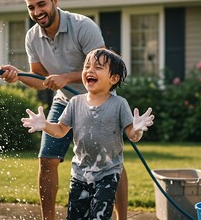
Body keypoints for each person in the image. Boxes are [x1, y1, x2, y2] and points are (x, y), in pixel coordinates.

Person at [0, 0, 129, 219]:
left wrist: (65, 77)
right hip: (65, 101)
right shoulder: (32, 37)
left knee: (111, 163)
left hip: (100, 100)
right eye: (31, 7)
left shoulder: (83, 26)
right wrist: (18, 76)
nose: (37, 12)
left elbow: (103, 67)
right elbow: (40, 79)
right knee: (47, 159)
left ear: (55, 1)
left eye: (41, 4)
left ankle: (122, 218)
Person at [21, 48, 154, 220]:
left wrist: (137, 129)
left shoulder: (119, 104)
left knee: (99, 216)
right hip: (80, 174)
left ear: (113, 78)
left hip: (108, 173)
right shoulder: (75, 103)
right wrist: (45, 125)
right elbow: (61, 130)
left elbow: (132, 136)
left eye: (98, 67)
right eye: (87, 66)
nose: (90, 70)